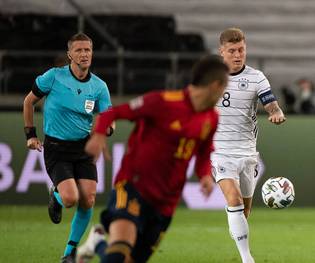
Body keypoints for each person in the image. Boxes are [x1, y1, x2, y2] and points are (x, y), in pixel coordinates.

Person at [76, 55, 229, 263]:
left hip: (166, 202)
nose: (223, 93)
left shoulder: (212, 117)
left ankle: (98, 242)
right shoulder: (162, 102)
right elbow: (114, 113)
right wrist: (99, 135)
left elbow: (203, 152)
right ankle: (102, 242)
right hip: (133, 187)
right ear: (215, 85)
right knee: (119, 255)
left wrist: (204, 176)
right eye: (224, 87)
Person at [22, 33, 113, 263]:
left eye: (88, 50)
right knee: (71, 198)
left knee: (89, 200)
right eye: (79, 50)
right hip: (57, 148)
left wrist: (107, 129)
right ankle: (56, 195)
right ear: (69, 54)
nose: (84, 54)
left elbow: (107, 117)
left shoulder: (99, 86)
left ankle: (69, 253)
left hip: (84, 149)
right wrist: (30, 135)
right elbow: (28, 101)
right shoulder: (53, 77)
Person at [213, 28, 286, 263]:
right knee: (233, 200)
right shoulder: (210, 78)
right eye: (232, 50)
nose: (238, 55)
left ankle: (236, 227)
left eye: (241, 50)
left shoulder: (256, 77)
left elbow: (270, 103)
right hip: (220, 152)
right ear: (221, 52)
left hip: (247, 153)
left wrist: (276, 112)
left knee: (243, 211)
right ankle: (247, 259)